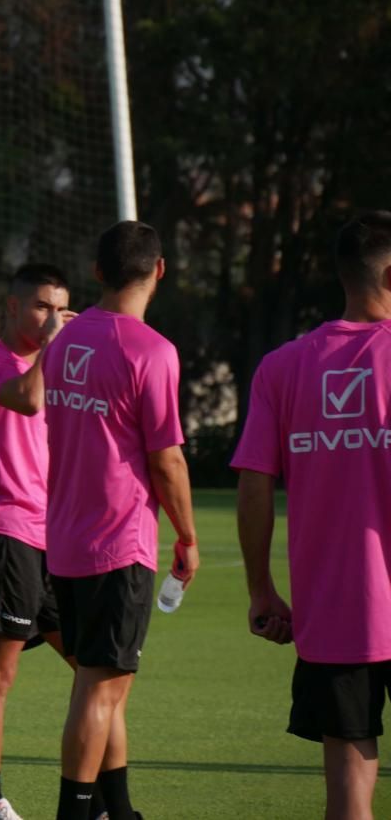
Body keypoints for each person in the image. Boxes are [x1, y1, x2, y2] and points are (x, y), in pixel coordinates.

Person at [232, 212, 391, 820]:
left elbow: (253, 484)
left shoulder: (283, 365)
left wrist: (261, 589)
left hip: (334, 608)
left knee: (348, 783)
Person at [40, 221, 199, 820]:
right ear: (158, 271)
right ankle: (75, 812)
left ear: (98, 271)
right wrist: (186, 535)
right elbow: (167, 458)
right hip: (118, 541)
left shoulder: (65, 343)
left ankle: (120, 810)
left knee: (108, 687)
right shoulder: (151, 350)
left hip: (67, 539)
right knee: (97, 691)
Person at [0, 263, 108, 820]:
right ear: (13, 308)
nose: (52, 317)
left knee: (94, 671)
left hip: (56, 538)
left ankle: (94, 802)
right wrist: (55, 345)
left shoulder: (58, 366)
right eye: (42, 306)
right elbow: (24, 399)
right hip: (4, 533)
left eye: (60, 307)